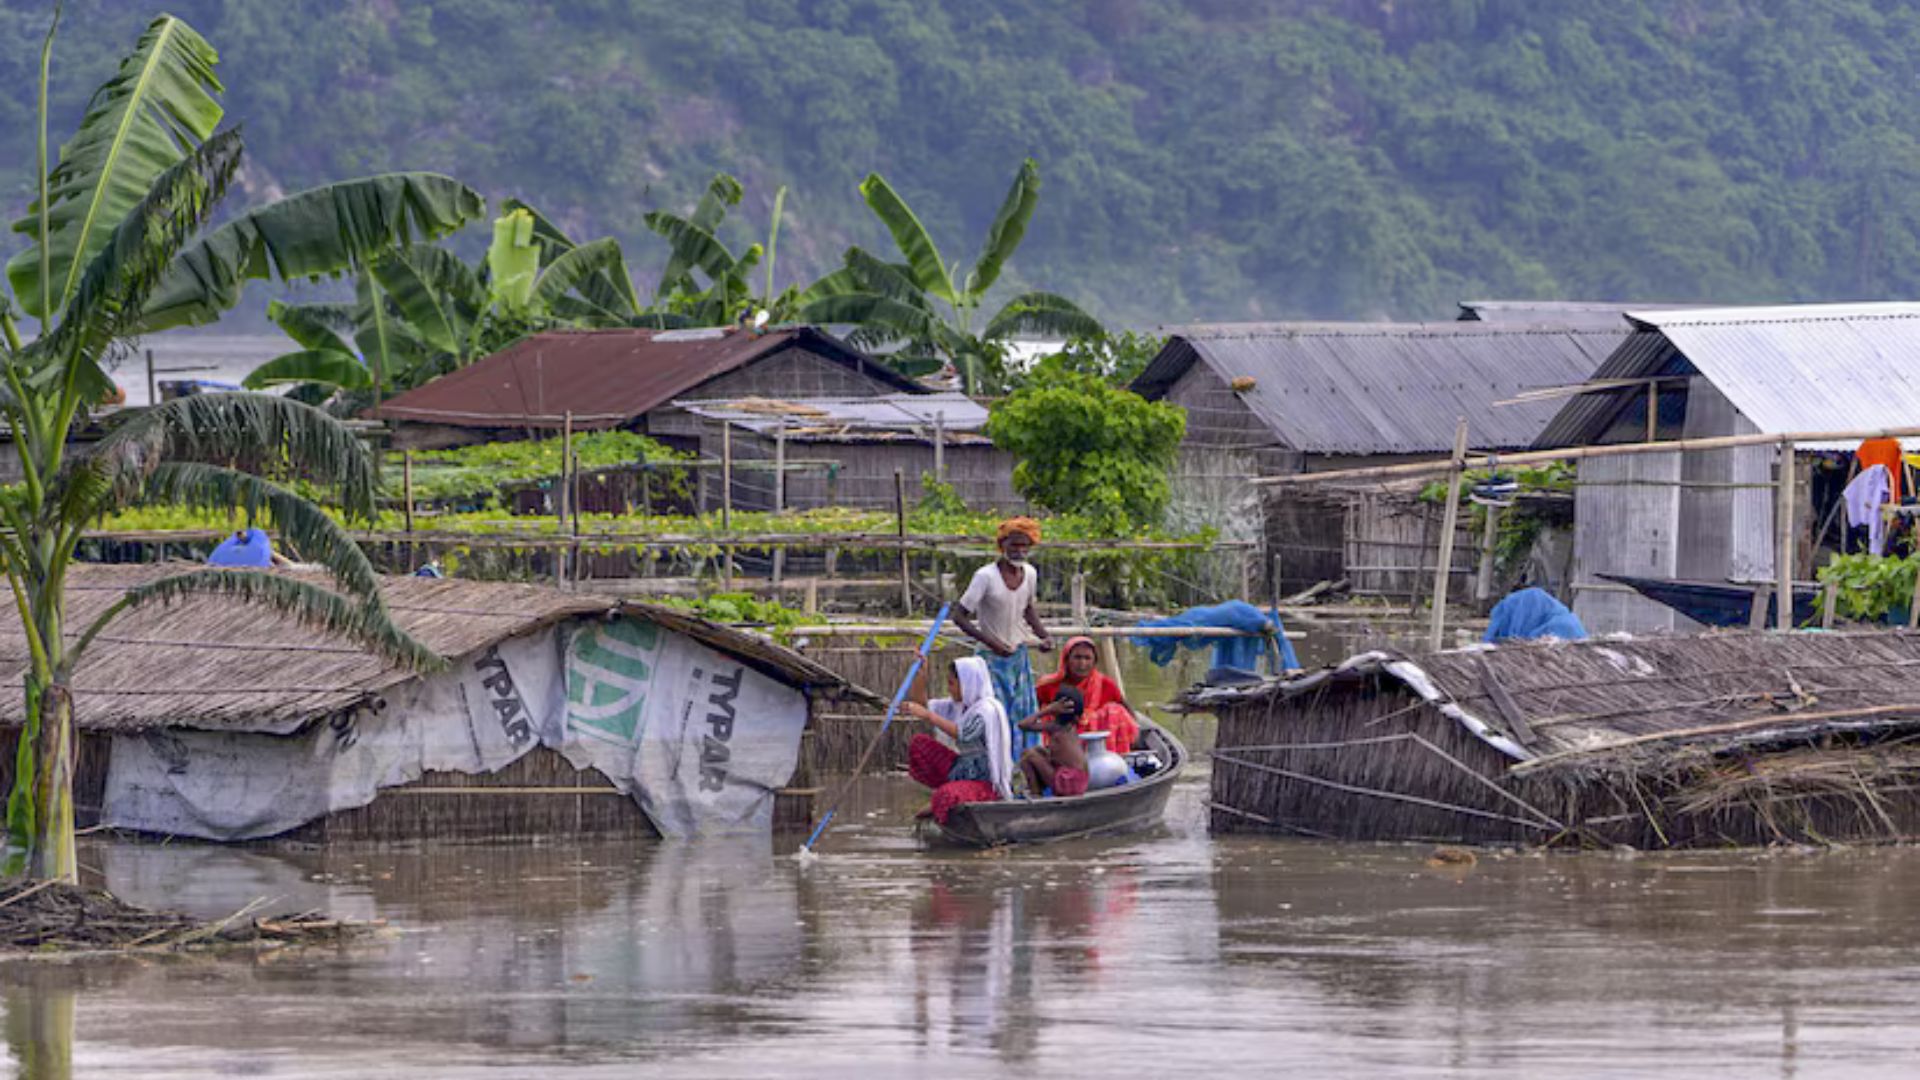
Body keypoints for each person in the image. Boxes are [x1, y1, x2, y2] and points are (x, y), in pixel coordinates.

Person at [954, 518, 1053, 754]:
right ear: (1002, 545)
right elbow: (959, 616)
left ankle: (1023, 766)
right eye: (1014, 545)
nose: (1019, 551)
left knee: (1023, 713)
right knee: (995, 715)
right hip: (990, 659)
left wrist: (1044, 636)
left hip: (1017, 657)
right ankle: (996, 768)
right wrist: (993, 643)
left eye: (1024, 546)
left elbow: (1028, 609)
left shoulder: (1029, 573)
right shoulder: (985, 576)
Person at [902, 657, 1014, 824]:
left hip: (984, 782)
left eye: (952, 684)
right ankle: (950, 791)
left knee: (945, 795)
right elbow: (923, 705)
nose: (949, 689)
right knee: (919, 744)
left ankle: (948, 797)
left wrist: (929, 716)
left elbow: (963, 734)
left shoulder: (987, 710)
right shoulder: (960, 705)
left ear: (967, 684)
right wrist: (920, 676)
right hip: (961, 770)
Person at [1036, 636, 1139, 754]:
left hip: (1098, 742)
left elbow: (1126, 709)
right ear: (1066, 659)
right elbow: (1032, 713)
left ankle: (1114, 754)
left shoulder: (1105, 684)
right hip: (1060, 738)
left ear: (1094, 661)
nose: (1082, 663)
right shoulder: (1048, 685)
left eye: (1087, 658)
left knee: (1115, 710)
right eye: (1077, 657)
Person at [1018, 686, 1090, 798]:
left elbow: (1023, 725)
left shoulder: (1057, 727)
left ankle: (1036, 796)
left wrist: (1046, 710)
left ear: (1055, 710)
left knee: (1028, 755)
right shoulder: (1071, 726)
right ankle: (1037, 793)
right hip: (1081, 782)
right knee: (1038, 751)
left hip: (1068, 783)